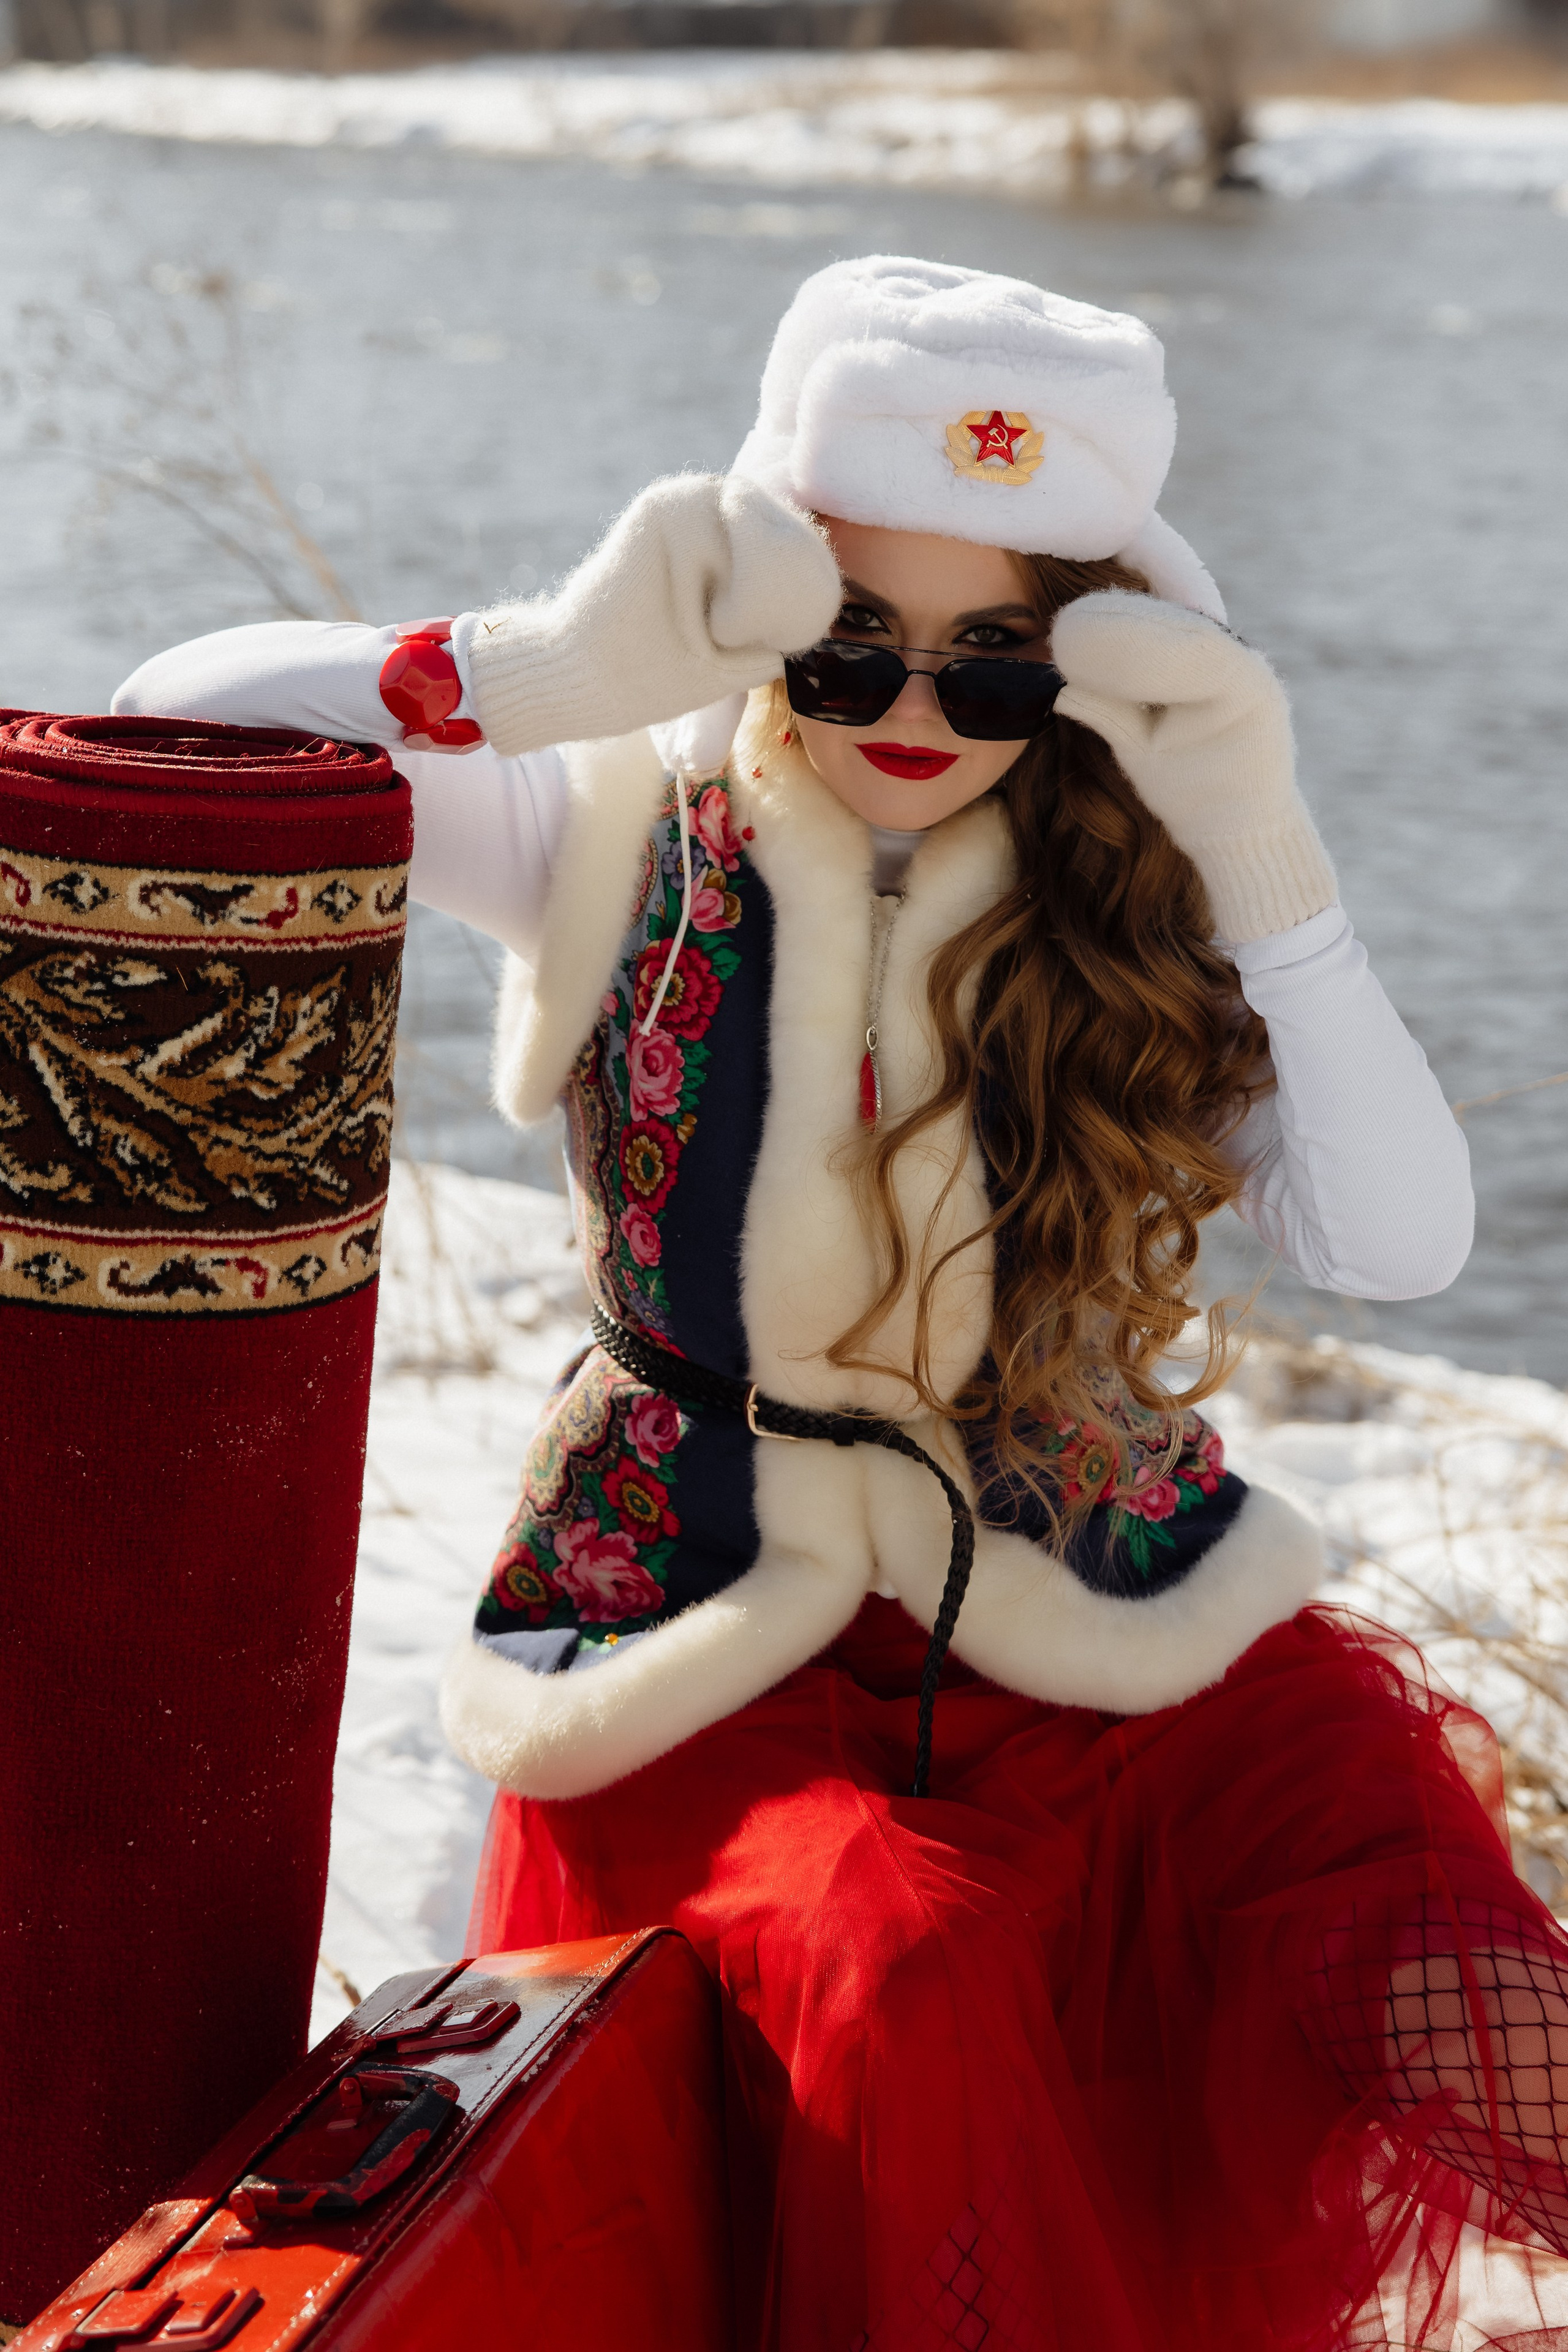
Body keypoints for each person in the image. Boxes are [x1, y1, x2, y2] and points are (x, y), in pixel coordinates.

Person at [116, 256, 1568, 2351]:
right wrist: (530, 666)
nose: (911, 714)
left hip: (1105, 1624)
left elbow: (1403, 1238)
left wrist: (1259, 843)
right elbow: (178, 714)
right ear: (764, 597)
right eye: (851, 642)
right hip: (705, 1648)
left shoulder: (1134, 899)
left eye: (998, 664)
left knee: (1495, 2017)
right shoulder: (602, 824)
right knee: (902, 1976)